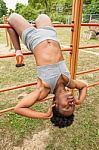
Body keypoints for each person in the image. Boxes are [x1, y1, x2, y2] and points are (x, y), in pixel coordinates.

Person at [7, 13, 87, 127]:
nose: (71, 103)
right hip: (50, 34)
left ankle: (18, 51)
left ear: (55, 104)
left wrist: (45, 115)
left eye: (66, 106)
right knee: (42, 16)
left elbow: (18, 108)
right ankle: (30, 25)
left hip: (33, 38)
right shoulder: (69, 82)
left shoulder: (44, 90)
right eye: (73, 106)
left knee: (11, 18)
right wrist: (80, 101)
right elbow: (83, 86)